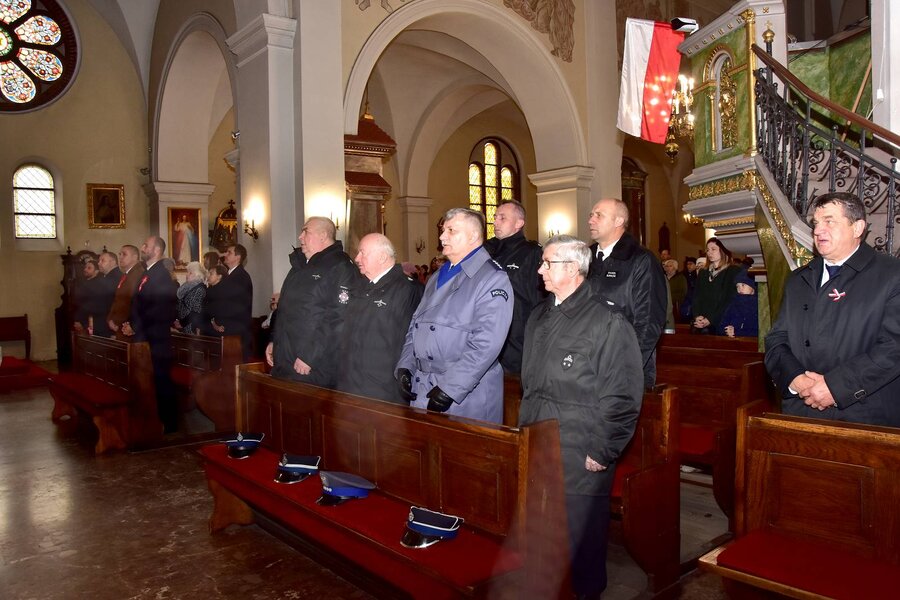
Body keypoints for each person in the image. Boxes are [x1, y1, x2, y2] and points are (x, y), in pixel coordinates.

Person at [518, 235, 643, 599]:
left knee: (583, 542)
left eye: (548, 263)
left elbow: (622, 394)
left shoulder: (607, 321)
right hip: (539, 439)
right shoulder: (539, 316)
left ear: (573, 268)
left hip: (580, 447)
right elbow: (531, 385)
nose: (540, 270)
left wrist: (603, 449)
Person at [765, 192, 900, 427]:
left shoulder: (891, 275)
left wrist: (836, 387)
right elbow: (777, 338)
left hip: (863, 416)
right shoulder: (798, 279)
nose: (818, 230)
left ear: (857, 228)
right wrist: (796, 379)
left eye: (829, 221)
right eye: (816, 223)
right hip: (801, 411)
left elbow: (893, 347)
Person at [396, 208, 513, 424]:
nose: (442, 237)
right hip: (424, 385)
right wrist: (406, 365)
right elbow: (416, 325)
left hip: (465, 392)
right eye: (443, 230)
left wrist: (450, 388)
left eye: (451, 230)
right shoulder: (437, 277)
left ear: (473, 236)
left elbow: (486, 344)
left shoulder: (491, 278)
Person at [266, 217, 360, 387]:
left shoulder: (340, 267)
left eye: (306, 231)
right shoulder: (299, 266)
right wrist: (274, 341)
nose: (300, 237)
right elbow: (284, 309)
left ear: (323, 235)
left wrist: (309, 356)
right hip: (286, 358)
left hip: (313, 366)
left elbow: (339, 318)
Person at [587, 198, 667, 387]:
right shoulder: (585, 258)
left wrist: (624, 368)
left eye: (599, 215)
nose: (590, 220)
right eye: (591, 215)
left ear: (619, 221)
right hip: (585, 367)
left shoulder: (642, 261)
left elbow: (648, 322)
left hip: (622, 372)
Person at [336, 233, 423, 403]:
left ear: (382, 257)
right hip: (350, 384)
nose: (357, 258)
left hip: (382, 389)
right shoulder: (359, 286)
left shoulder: (408, 290)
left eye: (363, 253)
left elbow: (412, 342)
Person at [121, 236, 179, 433]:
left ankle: (169, 423)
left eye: (146, 245)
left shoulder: (161, 275)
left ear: (156, 250)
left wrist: (135, 326)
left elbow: (159, 308)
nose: (142, 247)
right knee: (150, 379)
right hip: (145, 335)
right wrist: (130, 323)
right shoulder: (147, 272)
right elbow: (138, 302)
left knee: (161, 380)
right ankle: (153, 417)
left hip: (157, 338)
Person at [483, 200, 545, 374]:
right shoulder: (486, 252)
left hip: (516, 337)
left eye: (502, 218)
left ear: (519, 223)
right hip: (487, 333)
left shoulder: (531, 252)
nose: (495, 222)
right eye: (495, 217)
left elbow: (539, 299)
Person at [212, 244, 254, 360]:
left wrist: (219, 322)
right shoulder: (229, 276)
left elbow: (234, 304)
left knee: (234, 364)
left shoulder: (241, 277)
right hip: (227, 328)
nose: (225, 254)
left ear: (238, 257)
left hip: (235, 330)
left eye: (229, 252)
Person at [691, 238, 740, 334]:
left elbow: (728, 299)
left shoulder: (733, 271)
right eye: (708, 250)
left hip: (722, 321)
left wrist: (711, 319)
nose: (709, 252)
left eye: (713, 249)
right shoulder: (703, 272)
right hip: (702, 320)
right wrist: (697, 316)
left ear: (723, 250)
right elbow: (697, 296)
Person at [107, 245, 145, 335]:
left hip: (127, 326)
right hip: (119, 324)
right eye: (120, 254)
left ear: (135, 257)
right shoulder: (126, 274)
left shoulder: (139, 274)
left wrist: (130, 324)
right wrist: (110, 318)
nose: (120, 257)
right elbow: (118, 298)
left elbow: (135, 303)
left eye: (124, 254)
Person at [717, 269, 758, 338]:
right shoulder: (733, 303)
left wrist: (737, 332)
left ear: (752, 287)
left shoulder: (758, 305)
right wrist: (727, 330)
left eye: (743, 285)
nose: (740, 289)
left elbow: (760, 331)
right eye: (737, 286)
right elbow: (721, 326)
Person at [73, 259, 107, 335]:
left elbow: (88, 304)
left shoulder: (97, 285)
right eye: (85, 267)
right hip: (82, 318)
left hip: (89, 321)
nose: (85, 269)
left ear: (96, 271)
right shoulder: (85, 282)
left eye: (89, 268)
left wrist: (79, 320)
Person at [175, 261, 207, 334]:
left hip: (191, 326)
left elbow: (196, 311)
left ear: (198, 275)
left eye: (190, 273)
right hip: (182, 324)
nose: (187, 275)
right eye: (188, 272)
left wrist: (182, 323)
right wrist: (177, 319)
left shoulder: (200, 289)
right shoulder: (186, 286)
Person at [663, 258, 687, 325]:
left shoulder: (680, 278)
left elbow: (683, 292)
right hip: (663, 305)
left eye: (670, 266)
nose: (668, 268)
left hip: (675, 306)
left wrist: (669, 298)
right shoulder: (662, 278)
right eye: (666, 266)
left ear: (675, 268)